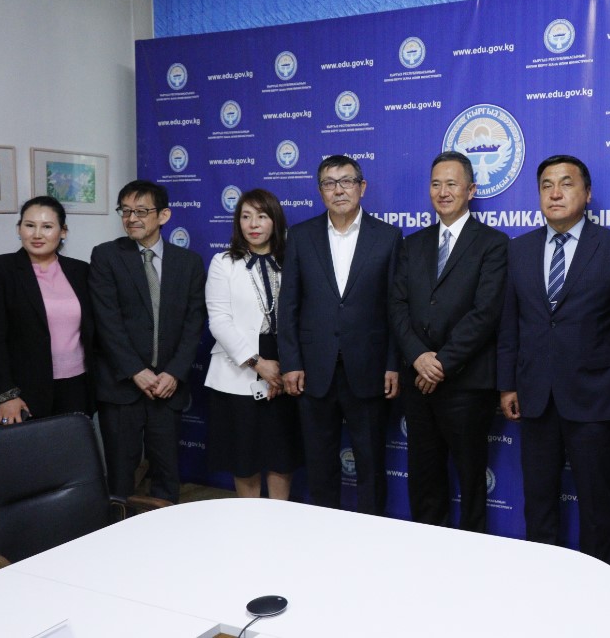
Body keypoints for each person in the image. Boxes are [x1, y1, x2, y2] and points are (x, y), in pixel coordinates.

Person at [498, 154, 610, 567]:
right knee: (538, 498)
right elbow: (509, 325)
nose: (555, 193)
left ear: (587, 193)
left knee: (596, 502)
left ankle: (601, 585)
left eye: (566, 183)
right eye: (546, 185)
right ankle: (544, 579)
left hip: (594, 397)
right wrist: (507, 384)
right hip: (535, 396)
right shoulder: (519, 249)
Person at [389, 151, 508, 532]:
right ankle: (427, 551)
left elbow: (485, 313)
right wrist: (418, 357)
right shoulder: (412, 244)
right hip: (417, 382)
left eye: (452, 184)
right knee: (424, 477)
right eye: (436, 184)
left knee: (471, 479)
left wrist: (440, 363)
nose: (443, 192)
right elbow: (397, 306)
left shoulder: (493, 244)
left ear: (470, 190)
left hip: (466, 384)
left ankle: (473, 555)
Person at [279, 155, 402, 515]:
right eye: (329, 183)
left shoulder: (388, 237)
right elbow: (288, 305)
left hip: (369, 368)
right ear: (320, 192)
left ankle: (372, 532)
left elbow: (396, 308)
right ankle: (324, 534)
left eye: (346, 181)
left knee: (371, 464)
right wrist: (291, 363)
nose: (339, 190)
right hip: (313, 370)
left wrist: (393, 364)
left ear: (362, 187)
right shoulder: (301, 236)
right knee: (320, 464)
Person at [89, 181, 206, 504]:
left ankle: (167, 529)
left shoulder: (189, 263)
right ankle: (118, 529)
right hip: (122, 386)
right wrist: (135, 370)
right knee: (120, 476)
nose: (132, 218)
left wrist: (175, 372)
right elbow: (107, 322)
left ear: (163, 215)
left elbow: (194, 323)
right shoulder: (107, 256)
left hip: (167, 386)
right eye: (125, 211)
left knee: (167, 473)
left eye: (141, 211)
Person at [204, 188, 302, 499]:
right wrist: (258, 363)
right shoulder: (223, 262)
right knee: (244, 457)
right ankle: (249, 521)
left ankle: (278, 518)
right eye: (245, 216)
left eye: (261, 216)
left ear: (275, 220)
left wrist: (285, 366)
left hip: (287, 362)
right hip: (241, 367)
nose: (253, 224)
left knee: (281, 454)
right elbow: (219, 321)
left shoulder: (292, 260)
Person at [0, 197, 94, 425]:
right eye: (29, 225)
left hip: (77, 385)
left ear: (63, 231)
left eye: (47, 226)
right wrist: (6, 394)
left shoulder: (80, 270)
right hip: (22, 391)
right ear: (19, 229)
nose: (37, 234)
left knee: (73, 446)